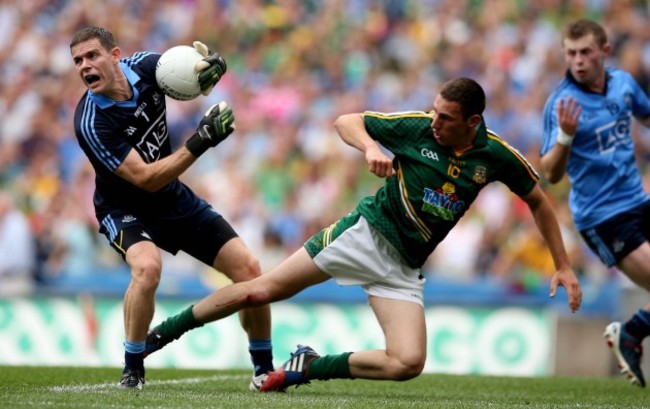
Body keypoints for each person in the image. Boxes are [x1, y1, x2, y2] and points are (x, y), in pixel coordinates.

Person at [145, 77, 582, 391]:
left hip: (403, 267)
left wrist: (562, 265)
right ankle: (159, 336)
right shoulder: (417, 127)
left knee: (407, 363)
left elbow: (539, 200)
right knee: (258, 292)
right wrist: (371, 146)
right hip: (364, 235)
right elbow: (345, 121)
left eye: (445, 118)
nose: (434, 123)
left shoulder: (496, 155)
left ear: (472, 121)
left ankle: (310, 367)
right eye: (433, 111)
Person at [69, 26, 273, 390]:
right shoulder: (91, 122)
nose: (84, 66)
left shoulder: (147, 67)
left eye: (91, 55)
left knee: (250, 269)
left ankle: (264, 369)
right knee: (147, 268)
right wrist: (200, 141)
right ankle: (133, 368)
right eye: (78, 61)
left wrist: (209, 69)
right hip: (122, 208)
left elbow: (189, 76)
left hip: (172, 199)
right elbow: (146, 178)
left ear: (114, 56)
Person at [541, 19, 650, 388]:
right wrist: (566, 138)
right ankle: (632, 333)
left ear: (604, 51)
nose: (578, 61)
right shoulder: (562, 103)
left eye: (585, 52)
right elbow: (550, 172)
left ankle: (632, 333)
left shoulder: (623, 85)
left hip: (638, 200)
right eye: (570, 53)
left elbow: (645, 114)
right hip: (603, 218)